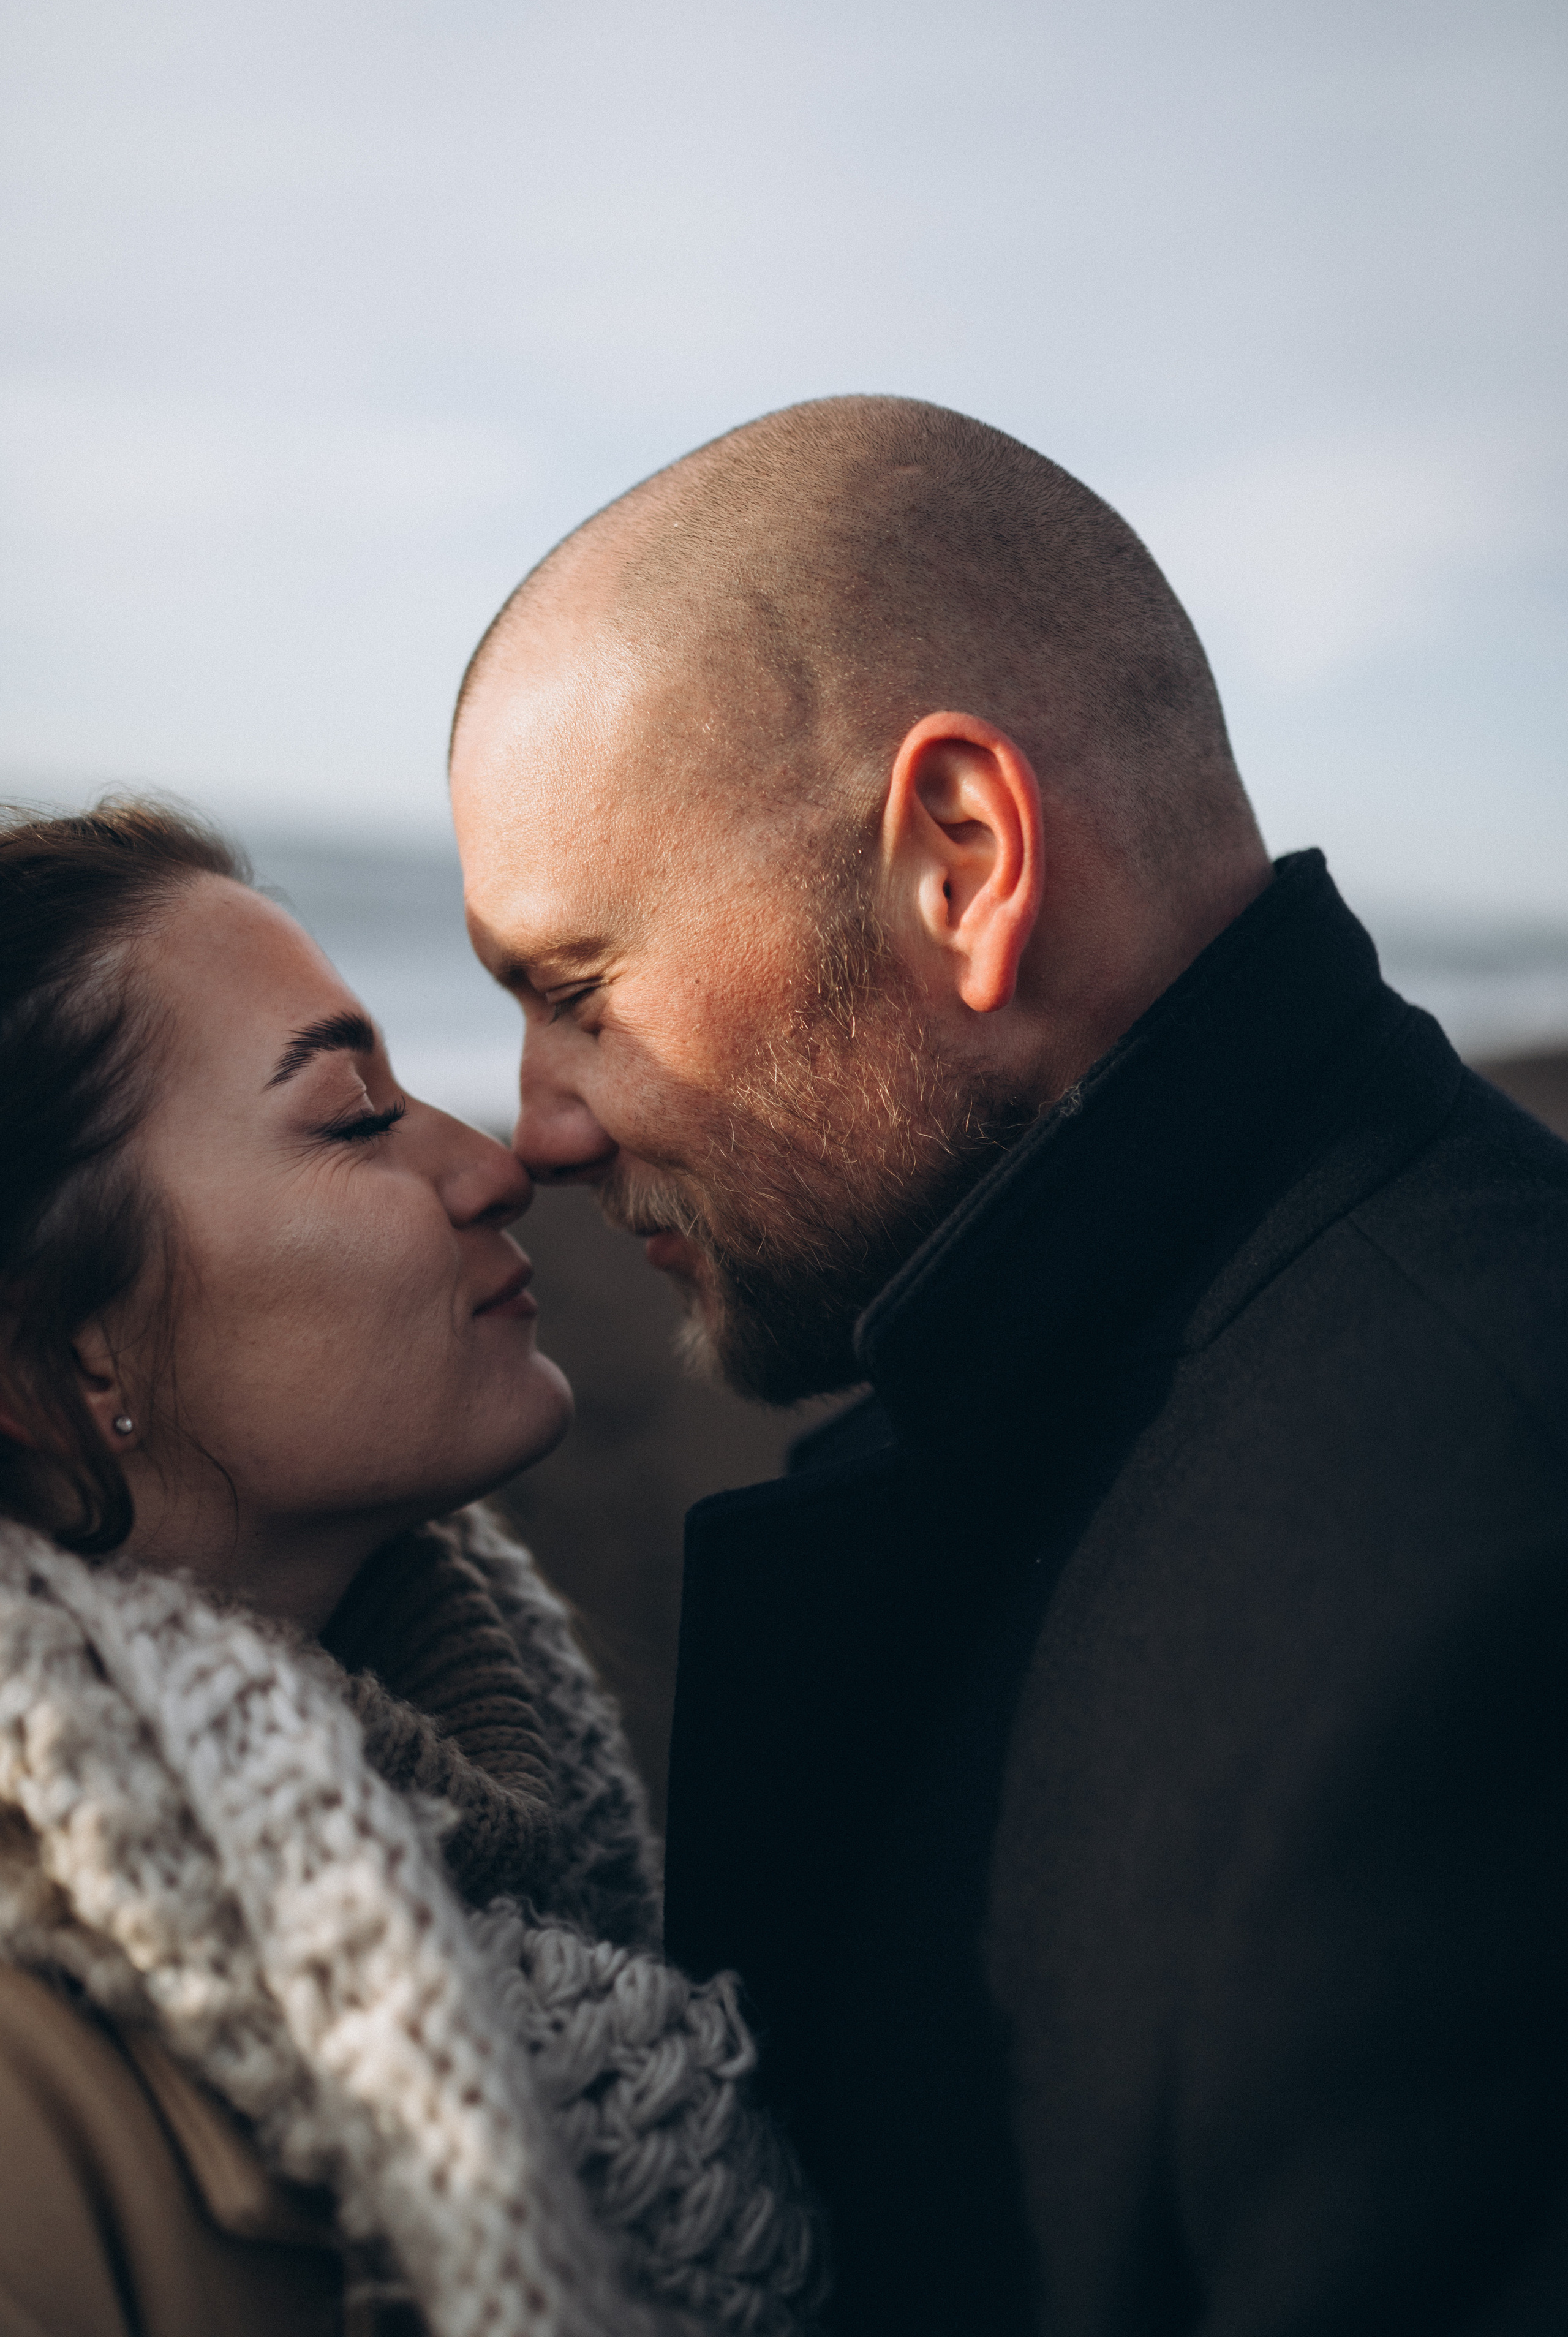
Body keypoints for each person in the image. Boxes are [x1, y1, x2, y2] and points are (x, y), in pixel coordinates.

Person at [449, 396, 1568, 2336]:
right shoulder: (1070, 1387)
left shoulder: (1487, 1605)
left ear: (960, 861)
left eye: (577, 993)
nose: (536, 1129)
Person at [0, 801, 821, 2337]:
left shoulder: (524, 1828)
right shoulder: (34, 2128)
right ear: (58, 1352)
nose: (497, 1167)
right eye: (353, 1117)